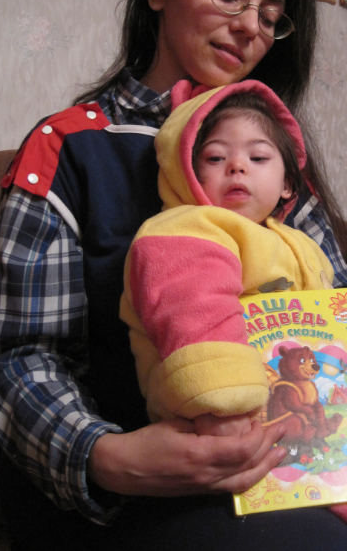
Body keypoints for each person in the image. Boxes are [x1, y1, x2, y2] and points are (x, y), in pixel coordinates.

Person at [0, 0, 347, 551]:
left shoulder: (271, 158)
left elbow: (343, 298)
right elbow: (12, 358)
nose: (250, 26)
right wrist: (108, 458)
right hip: (115, 482)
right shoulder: (69, 147)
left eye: (270, 15)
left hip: (286, 454)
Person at [121, 81, 335, 436]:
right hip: (211, 418)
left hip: (295, 398)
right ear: (188, 174)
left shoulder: (303, 244)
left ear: (287, 184)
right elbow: (196, 314)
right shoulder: (185, 230)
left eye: (258, 158)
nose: (236, 166)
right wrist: (221, 405)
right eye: (215, 158)